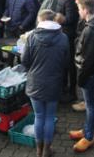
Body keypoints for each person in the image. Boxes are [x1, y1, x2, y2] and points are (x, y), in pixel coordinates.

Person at [21, 9, 69, 157]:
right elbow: (66, 62)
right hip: (54, 82)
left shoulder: (32, 37)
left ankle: (38, 150)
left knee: (39, 116)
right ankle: (47, 149)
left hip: (35, 82)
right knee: (49, 117)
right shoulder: (63, 38)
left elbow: (24, 61)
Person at [69, 0, 94, 152]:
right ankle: (87, 130)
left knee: (91, 106)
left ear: (85, 9)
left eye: (79, 8)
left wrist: (81, 79)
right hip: (93, 70)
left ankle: (89, 136)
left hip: (90, 73)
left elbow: (88, 59)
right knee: (91, 104)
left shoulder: (91, 31)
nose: (77, 11)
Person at [53, 0, 80, 103]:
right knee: (63, 63)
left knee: (70, 64)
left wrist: (60, 18)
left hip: (68, 36)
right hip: (62, 34)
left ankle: (72, 92)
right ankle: (63, 88)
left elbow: (71, 19)